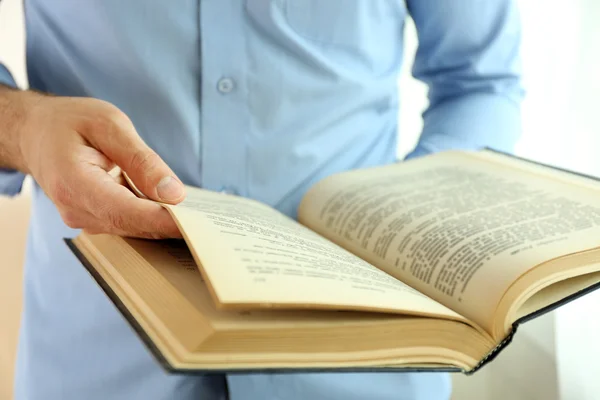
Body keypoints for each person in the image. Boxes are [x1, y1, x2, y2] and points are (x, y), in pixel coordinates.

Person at [0, 1, 523, 399]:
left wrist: (412, 218)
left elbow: (481, 81)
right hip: (97, 358)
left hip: (365, 362)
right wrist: (23, 130)